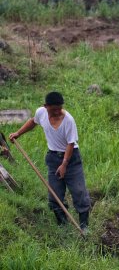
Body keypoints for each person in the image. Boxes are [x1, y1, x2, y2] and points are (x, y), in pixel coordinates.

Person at [9, 92, 91, 232]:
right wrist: (18, 133)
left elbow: (70, 144)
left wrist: (64, 164)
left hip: (71, 159)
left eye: (60, 108)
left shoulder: (68, 120)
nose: (58, 112)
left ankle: (84, 226)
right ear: (46, 106)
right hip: (53, 158)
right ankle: (63, 226)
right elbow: (33, 122)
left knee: (78, 191)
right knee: (54, 194)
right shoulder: (41, 113)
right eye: (54, 109)